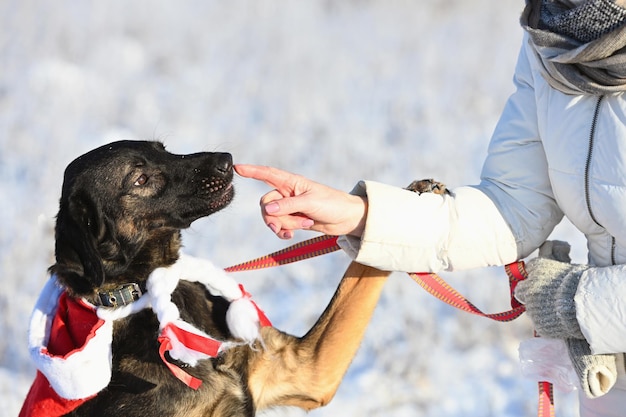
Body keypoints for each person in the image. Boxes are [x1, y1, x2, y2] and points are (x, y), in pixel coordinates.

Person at [236, 0, 626, 416]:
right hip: (610, 378)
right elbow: (514, 206)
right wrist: (363, 215)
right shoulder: (551, 31)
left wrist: (577, 304)